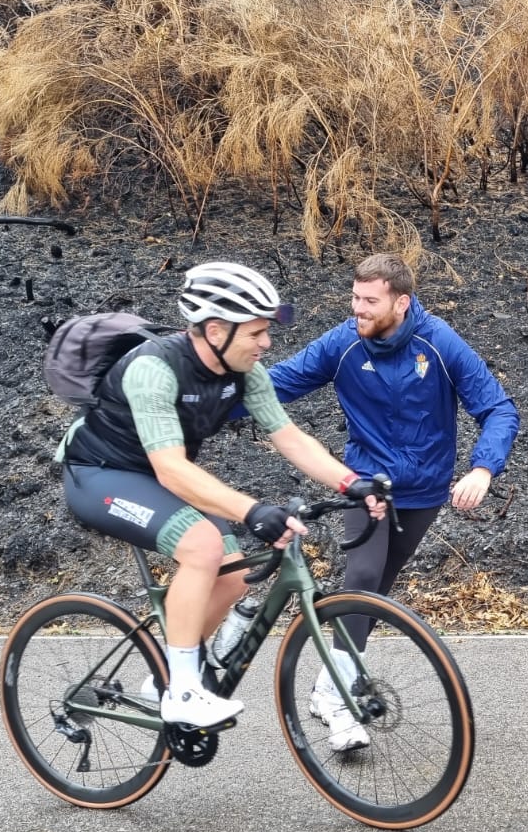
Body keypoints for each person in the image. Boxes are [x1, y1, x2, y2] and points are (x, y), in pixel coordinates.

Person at [57, 260, 384, 745]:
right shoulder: (153, 369)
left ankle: (164, 674)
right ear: (215, 330)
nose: (266, 343)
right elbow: (171, 468)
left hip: (161, 475)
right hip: (100, 476)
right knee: (204, 548)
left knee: (233, 577)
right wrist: (251, 510)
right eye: (255, 332)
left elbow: (289, 437)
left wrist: (350, 483)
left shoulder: (245, 373)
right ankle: (184, 690)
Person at [265, 252, 519, 742]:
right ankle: (339, 698)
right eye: (355, 298)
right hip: (366, 483)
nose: (357, 309)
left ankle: (325, 686)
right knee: (361, 580)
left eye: (369, 301)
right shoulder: (343, 343)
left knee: (376, 591)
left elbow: (498, 409)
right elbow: (277, 385)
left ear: (401, 302)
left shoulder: (439, 344)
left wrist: (483, 468)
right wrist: (205, 402)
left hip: (423, 491)